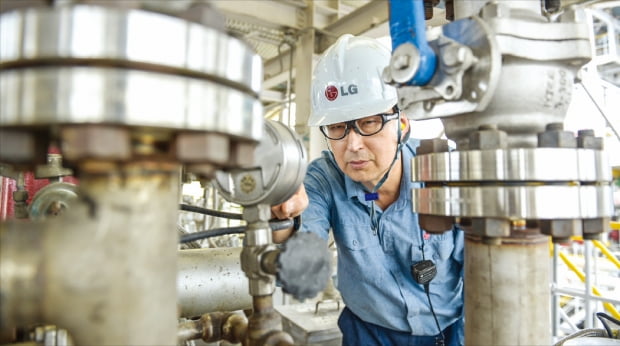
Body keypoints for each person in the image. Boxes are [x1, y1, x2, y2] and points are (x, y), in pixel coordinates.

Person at [271, 34, 464, 346]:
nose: (353, 145)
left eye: (370, 122)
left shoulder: (444, 171)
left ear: (401, 124)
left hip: (450, 331)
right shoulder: (322, 180)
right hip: (368, 334)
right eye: (337, 127)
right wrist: (282, 221)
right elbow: (301, 277)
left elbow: (485, 276)